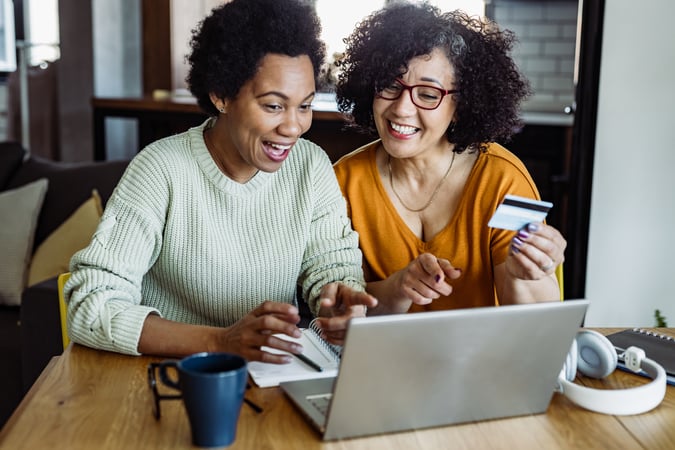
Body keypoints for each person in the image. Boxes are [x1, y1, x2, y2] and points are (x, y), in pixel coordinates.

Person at [65, 0, 376, 363]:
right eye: (274, 106)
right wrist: (220, 341)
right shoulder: (160, 170)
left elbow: (331, 268)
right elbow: (89, 306)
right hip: (167, 376)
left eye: (304, 106)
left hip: (272, 375)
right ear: (221, 95)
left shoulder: (311, 166)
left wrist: (339, 302)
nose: (293, 127)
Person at [333, 2, 566, 315]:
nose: (401, 109)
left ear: (461, 107)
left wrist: (523, 274)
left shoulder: (504, 179)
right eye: (390, 85)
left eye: (428, 94)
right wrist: (399, 287)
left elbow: (539, 325)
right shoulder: (344, 180)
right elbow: (337, 310)